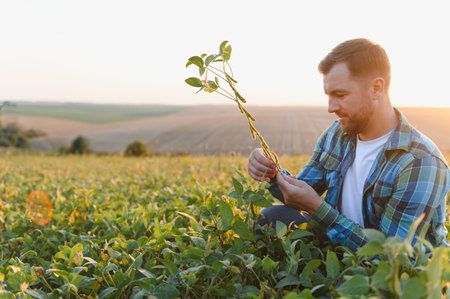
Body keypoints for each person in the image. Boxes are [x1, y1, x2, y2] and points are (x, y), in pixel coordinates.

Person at [247, 38, 449, 251]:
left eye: (340, 95)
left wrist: (318, 208)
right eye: (329, 96)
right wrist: (271, 171)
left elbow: (394, 258)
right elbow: (301, 192)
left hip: (397, 276)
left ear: (376, 88)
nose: (330, 107)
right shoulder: (337, 134)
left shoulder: (420, 162)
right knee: (271, 219)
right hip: (342, 243)